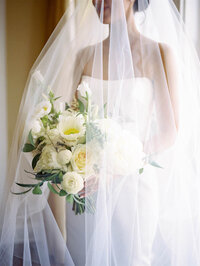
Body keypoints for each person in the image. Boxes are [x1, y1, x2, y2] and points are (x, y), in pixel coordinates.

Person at [1, 0, 200, 265]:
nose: (97, 2)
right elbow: (65, 118)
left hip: (133, 187)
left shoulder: (160, 53)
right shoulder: (83, 55)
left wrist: (114, 166)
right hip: (86, 187)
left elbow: (169, 131)